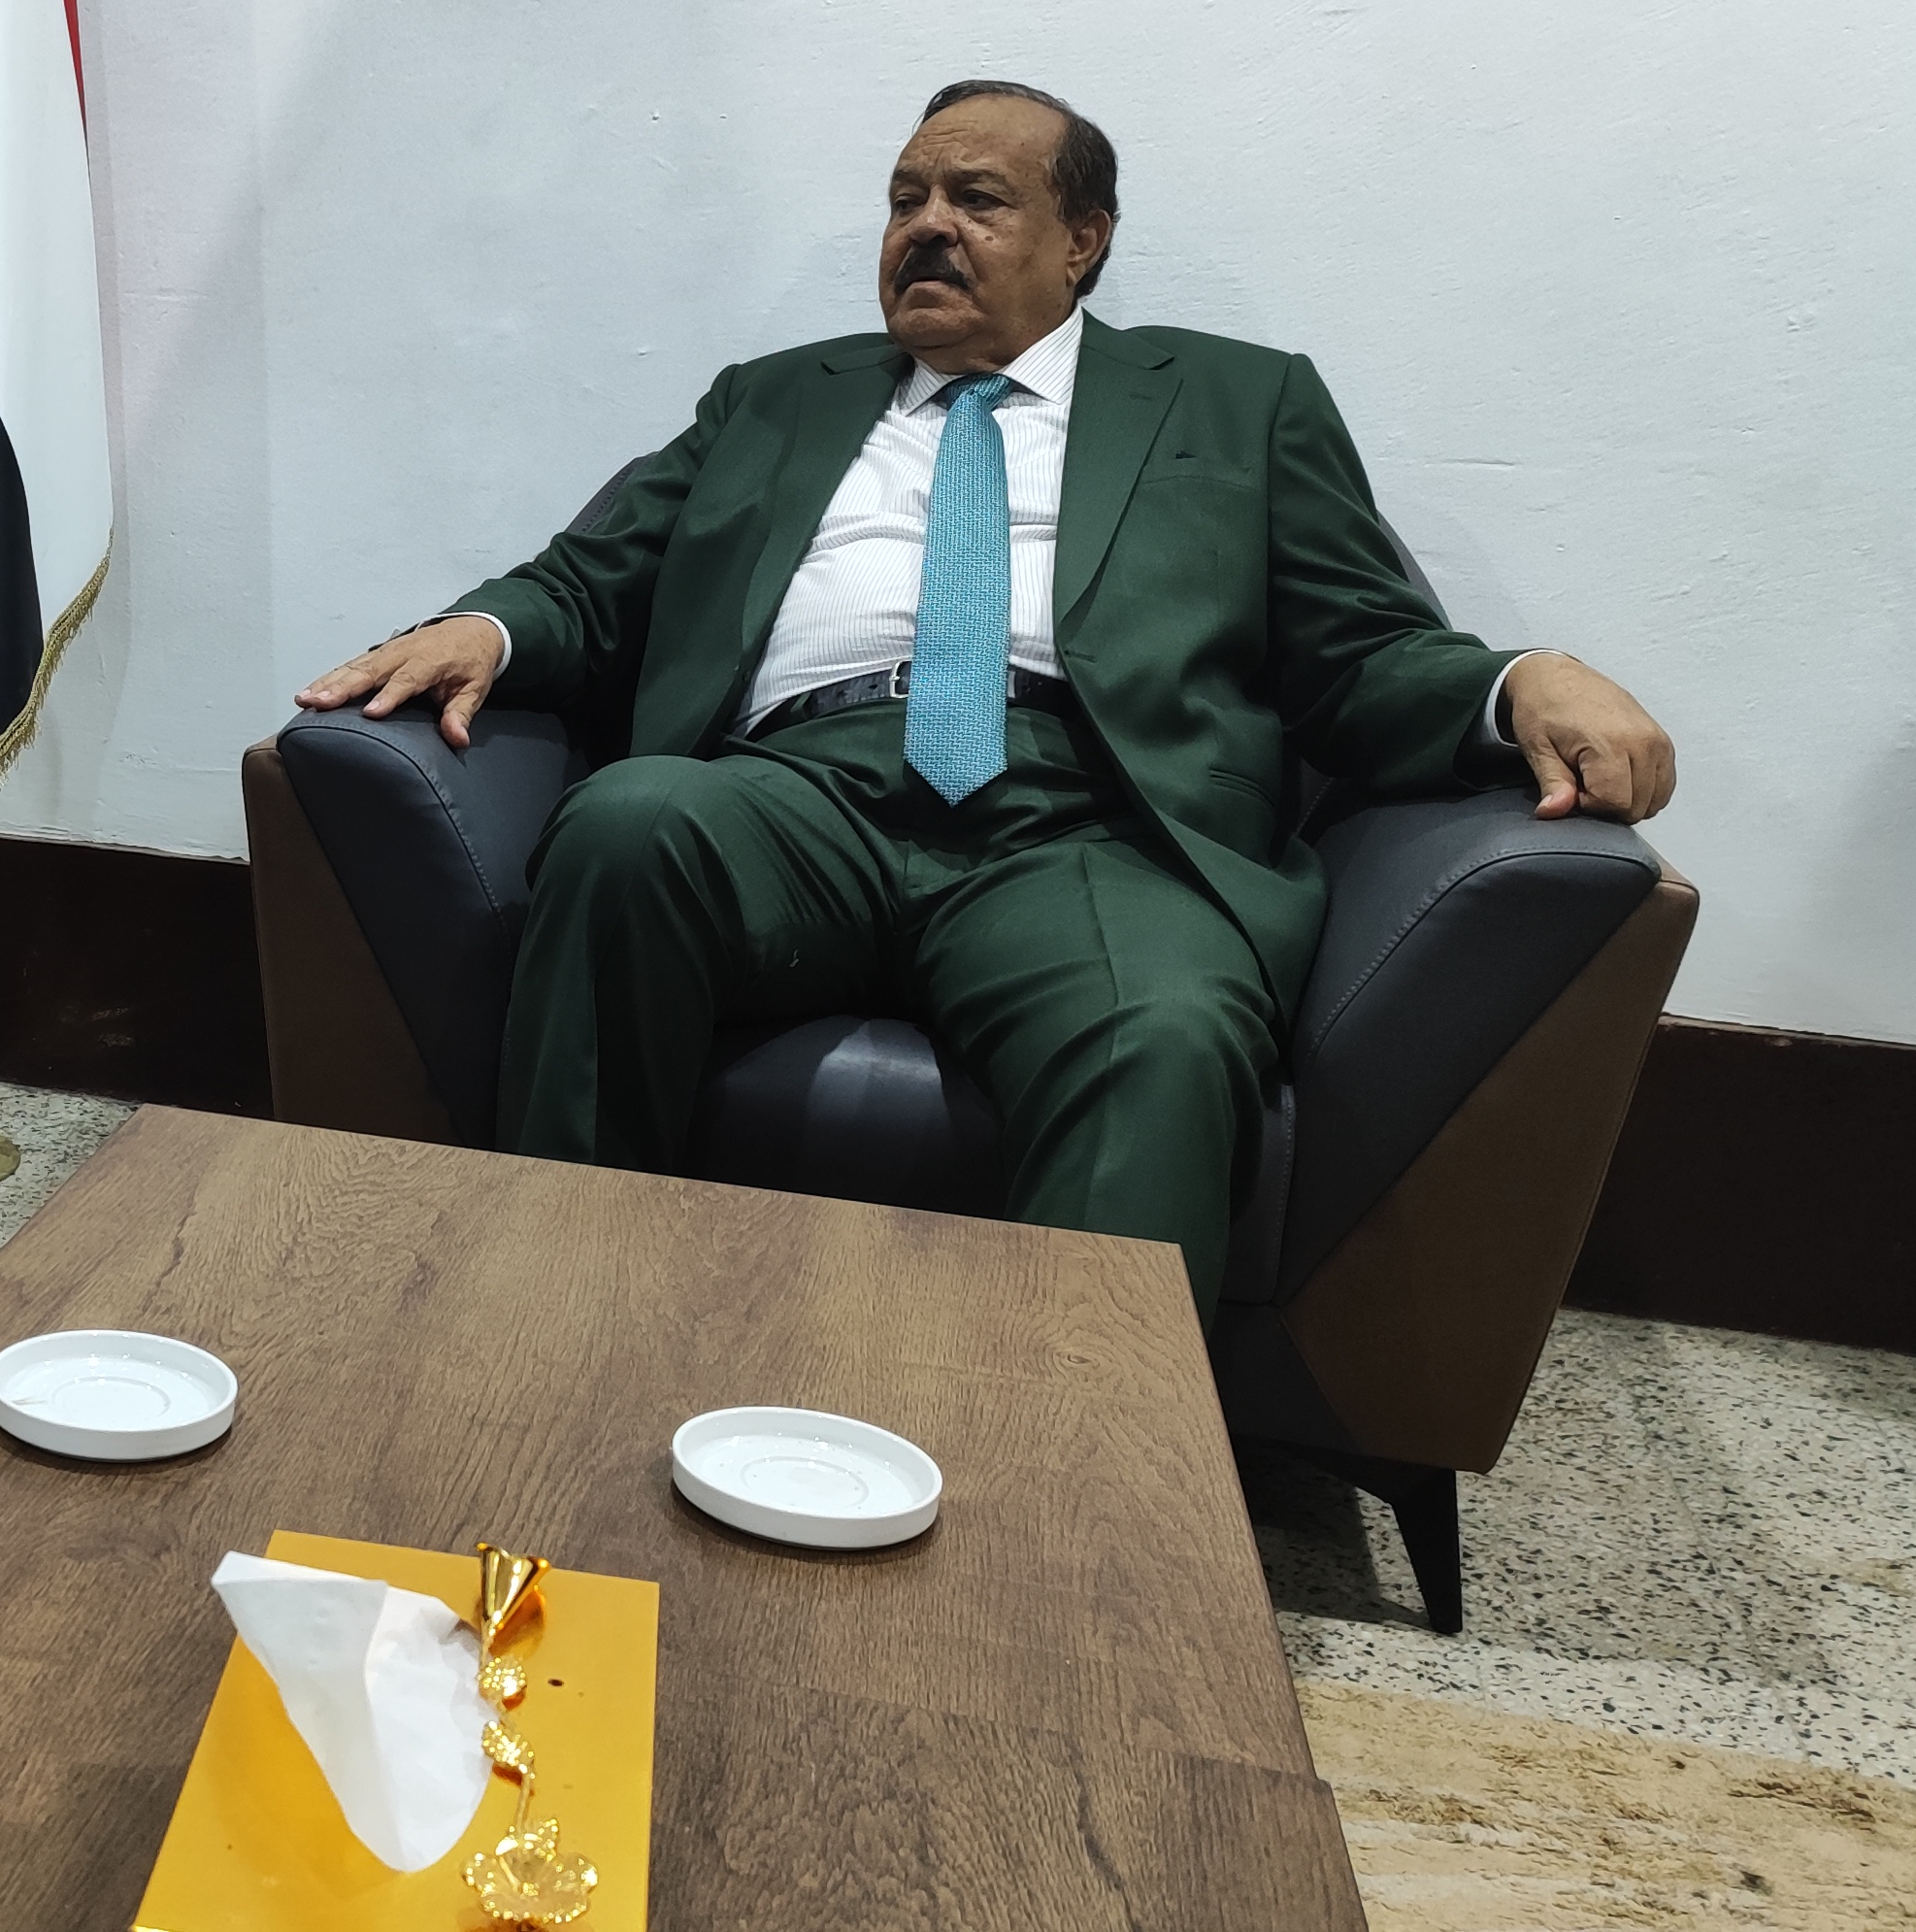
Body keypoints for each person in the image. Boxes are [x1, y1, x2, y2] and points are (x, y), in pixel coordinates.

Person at [298, 81, 1676, 1310]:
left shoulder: (1236, 401)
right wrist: (487, 626)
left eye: (978, 199)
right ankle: (558, 1320)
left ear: (1084, 240)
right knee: (626, 825)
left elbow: (1361, 645)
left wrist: (1522, 677)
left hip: (1093, 825)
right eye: (906, 198)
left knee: (1165, 1023)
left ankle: (1069, 1469)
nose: (928, 226)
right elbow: (598, 579)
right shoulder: (773, 399)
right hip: (799, 793)